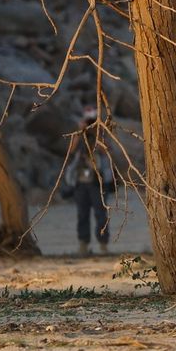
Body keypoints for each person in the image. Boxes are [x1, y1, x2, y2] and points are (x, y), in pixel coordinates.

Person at [62, 105, 114, 256]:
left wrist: (98, 133)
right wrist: (79, 132)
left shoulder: (101, 133)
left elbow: (107, 151)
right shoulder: (79, 134)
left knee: (101, 214)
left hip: (98, 181)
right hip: (80, 182)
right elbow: (70, 151)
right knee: (82, 214)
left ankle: (103, 246)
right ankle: (83, 246)